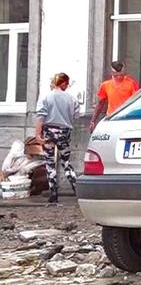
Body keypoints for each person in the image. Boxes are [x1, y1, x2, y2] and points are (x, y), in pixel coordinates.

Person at [35, 73, 81, 203]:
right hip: (64, 132)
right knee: (66, 162)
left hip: (49, 131)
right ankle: (76, 188)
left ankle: (53, 192)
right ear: (63, 83)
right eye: (67, 84)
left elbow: (40, 116)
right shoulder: (72, 99)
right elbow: (76, 116)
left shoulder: (45, 97)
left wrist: (38, 135)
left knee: (49, 162)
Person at [89, 61, 140, 131]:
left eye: (121, 74)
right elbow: (100, 104)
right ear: (112, 73)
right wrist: (93, 121)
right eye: (116, 74)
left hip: (127, 118)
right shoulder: (106, 85)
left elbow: (137, 102)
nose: (119, 76)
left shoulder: (131, 83)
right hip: (111, 118)